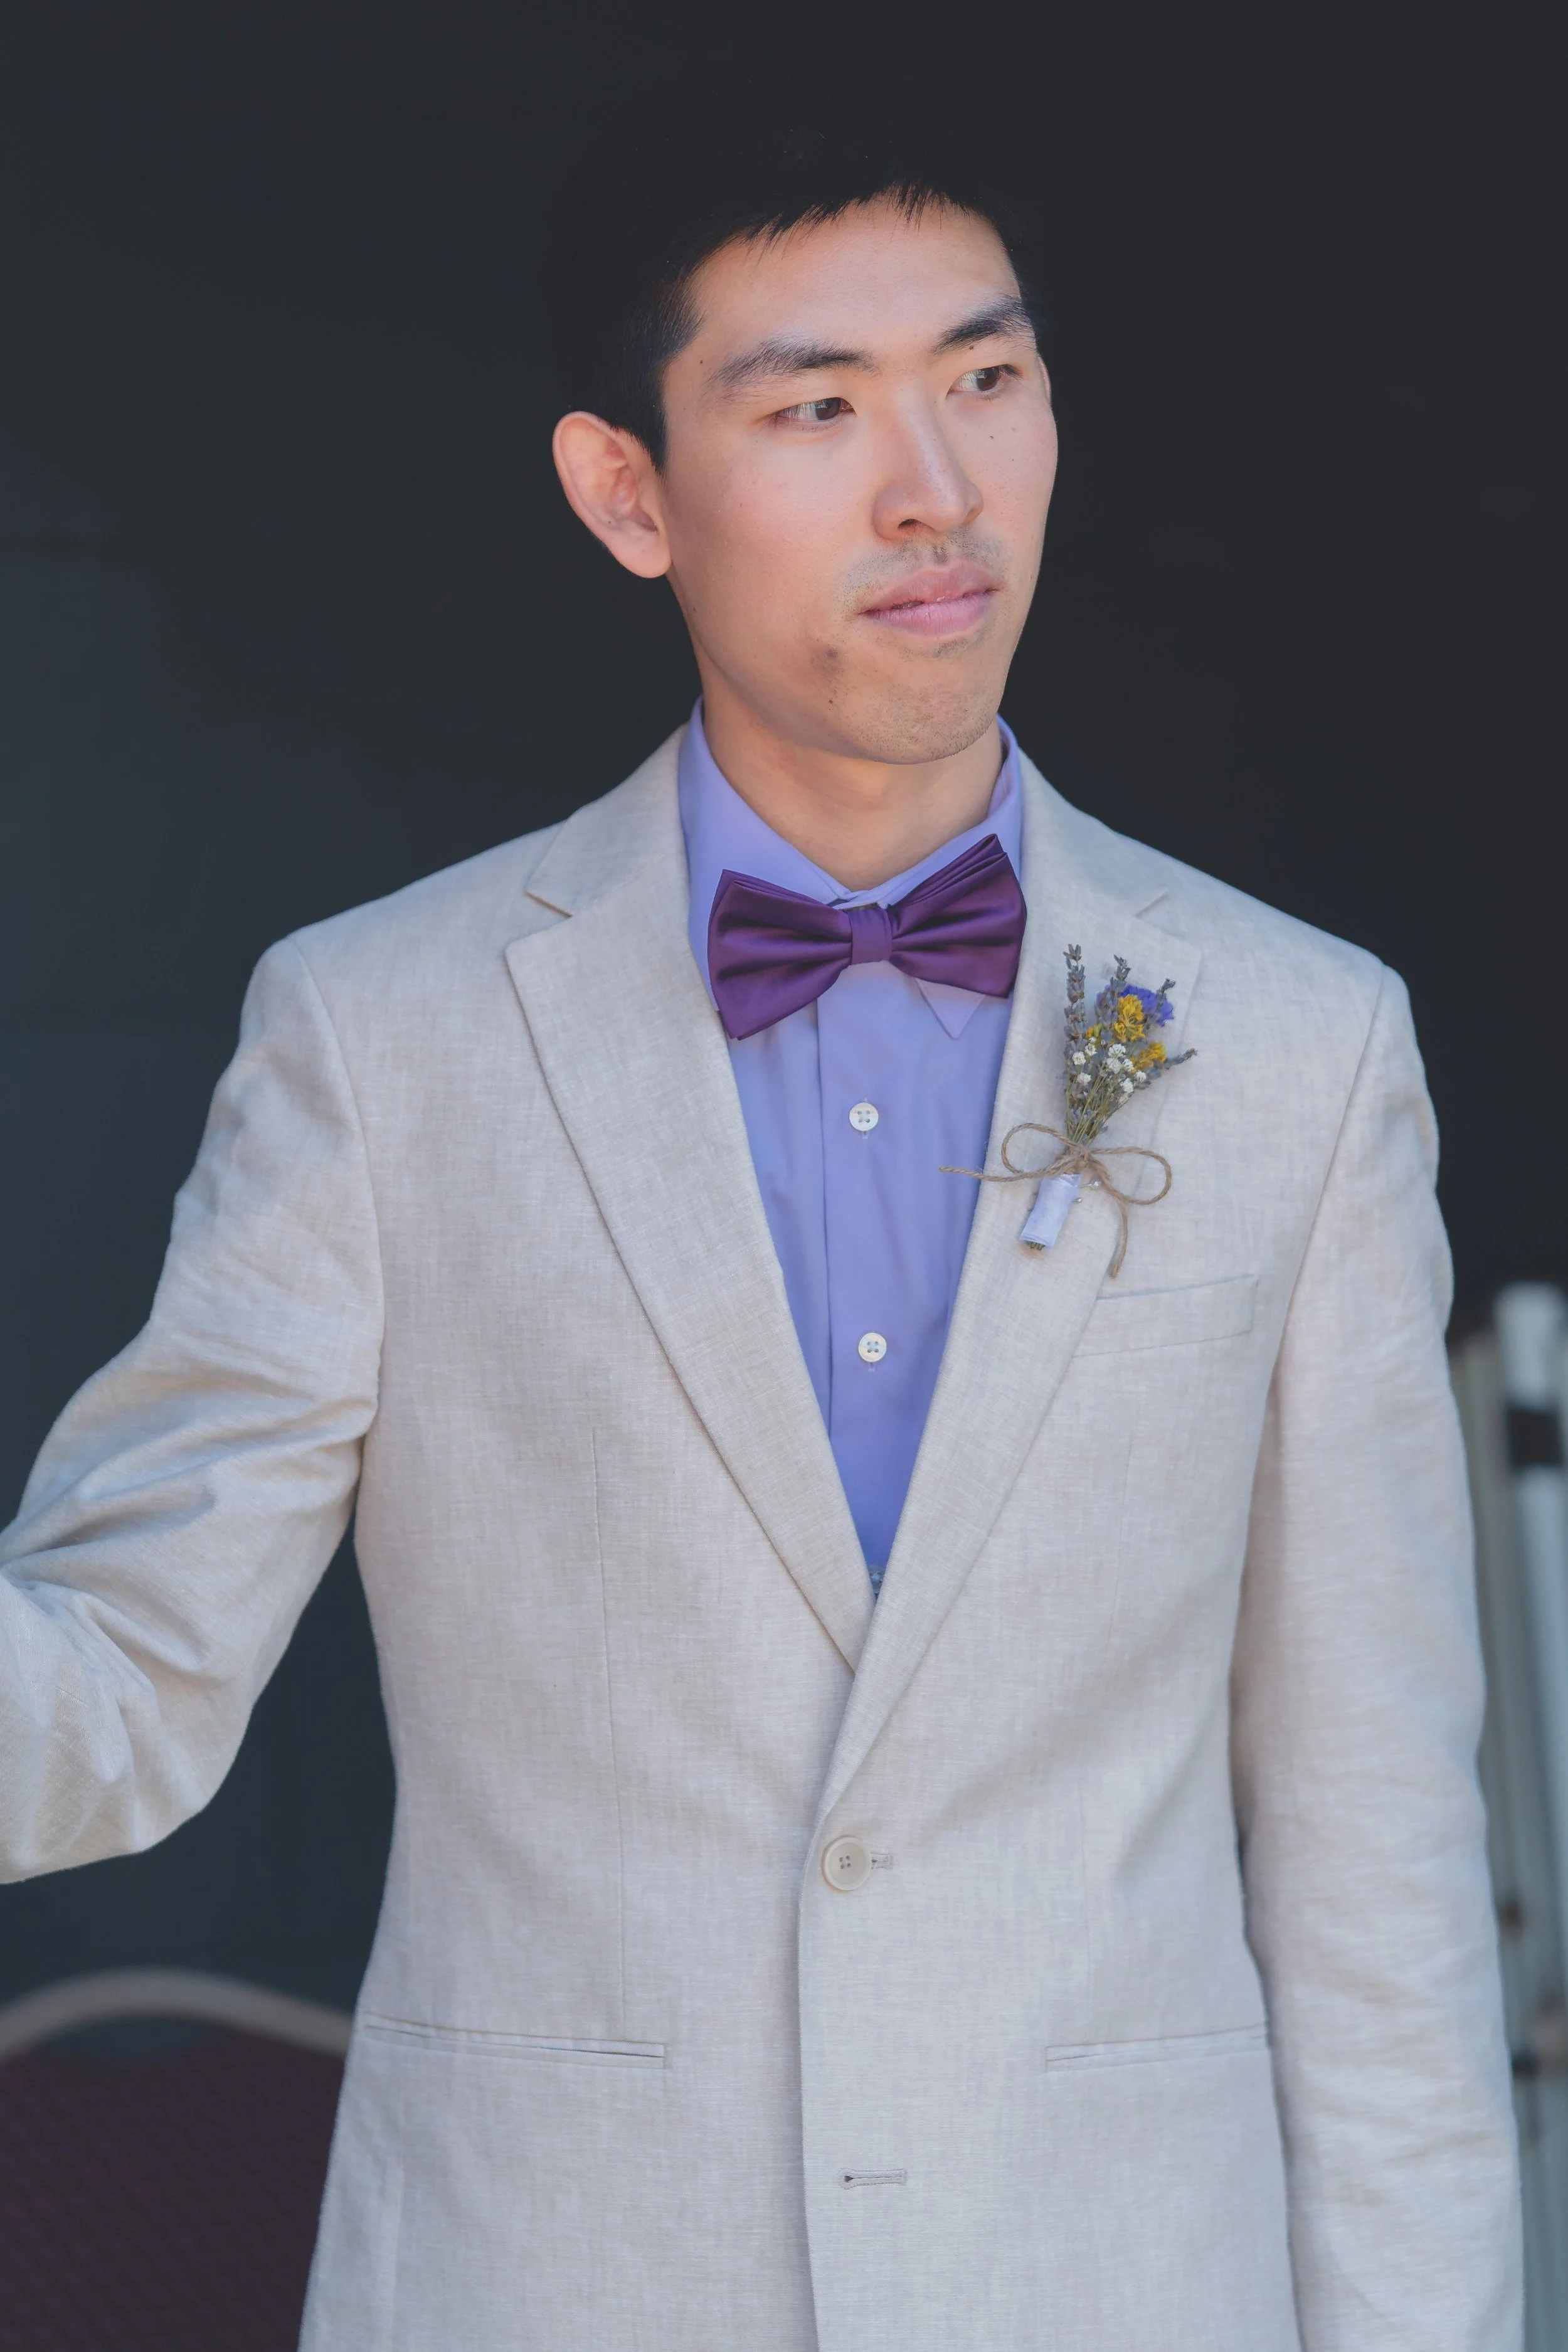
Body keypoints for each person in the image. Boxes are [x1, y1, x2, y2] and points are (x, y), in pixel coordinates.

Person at [0, 90, 1520, 2352]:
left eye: (985, 377)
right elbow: (122, 1676)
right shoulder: (379, 1034)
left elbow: (1375, 1850)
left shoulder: (1298, 1038)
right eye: (816, 407)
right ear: (628, 491)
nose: (935, 487)